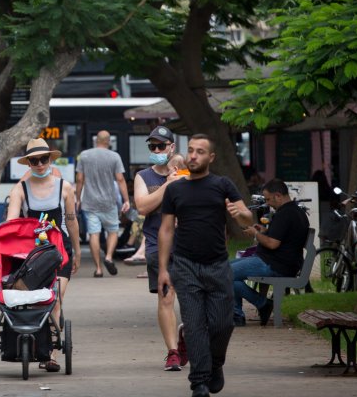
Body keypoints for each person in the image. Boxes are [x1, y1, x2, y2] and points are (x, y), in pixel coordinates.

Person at [158, 133, 253, 397]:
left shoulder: (223, 185)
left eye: (200, 151)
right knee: (195, 324)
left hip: (218, 265)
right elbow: (166, 230)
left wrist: (240, 214)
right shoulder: (175, 189)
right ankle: (198, 382)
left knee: (224, 324)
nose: (193, 156)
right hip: (185, 266)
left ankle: (216, 363)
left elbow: (247, 220)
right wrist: (164, 269)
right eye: (191, 150)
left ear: (211, 157)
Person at [6, 138, 80, 372]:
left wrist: (77, 251)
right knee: (35, 299)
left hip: (60, 250)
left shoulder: (64, 187)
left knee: (55, 300)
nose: (39, 164)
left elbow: (72, 220)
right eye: (34, 160)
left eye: (43, 159)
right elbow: (12, 222)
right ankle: (37, 344)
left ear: (50, 159)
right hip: (32, 253)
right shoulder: (20, 189)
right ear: (28, 163)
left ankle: (51, 355)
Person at [133, 126, 188, 371]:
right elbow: (143, 207)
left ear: (171, 147)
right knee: (166, 299)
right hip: (157, 247)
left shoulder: (188, 174)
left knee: (192, 299)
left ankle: (187, 337)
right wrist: (167, 185)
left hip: (188, 246)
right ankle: (173, 352)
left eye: (160, 146)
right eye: (152, 147)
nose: (156, 150)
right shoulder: (143, 177)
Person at [231, 179, 310, 326]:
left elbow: (273, 244)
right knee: (224, 270)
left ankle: (259, 306)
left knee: (223, 272)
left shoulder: (285, 214)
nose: (267, 203)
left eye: (268, 199)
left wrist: (255, 234)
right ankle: (241, 314)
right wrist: (264, 231)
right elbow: (282, 237)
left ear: (278, 196)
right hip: (278, 261)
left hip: (274, 265)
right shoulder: (294, 212)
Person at [75, 130, 130, 277]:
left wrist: (78, 198)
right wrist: (126, 200)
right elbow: (120, 179)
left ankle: (98, 269)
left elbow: (80, 179)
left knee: (94, 234)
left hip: (90, 202)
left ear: (96, 140)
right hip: (109, 202)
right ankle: (109, 257)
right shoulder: (115, 156)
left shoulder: (84, 155)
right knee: (112, 231)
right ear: (108, 142)